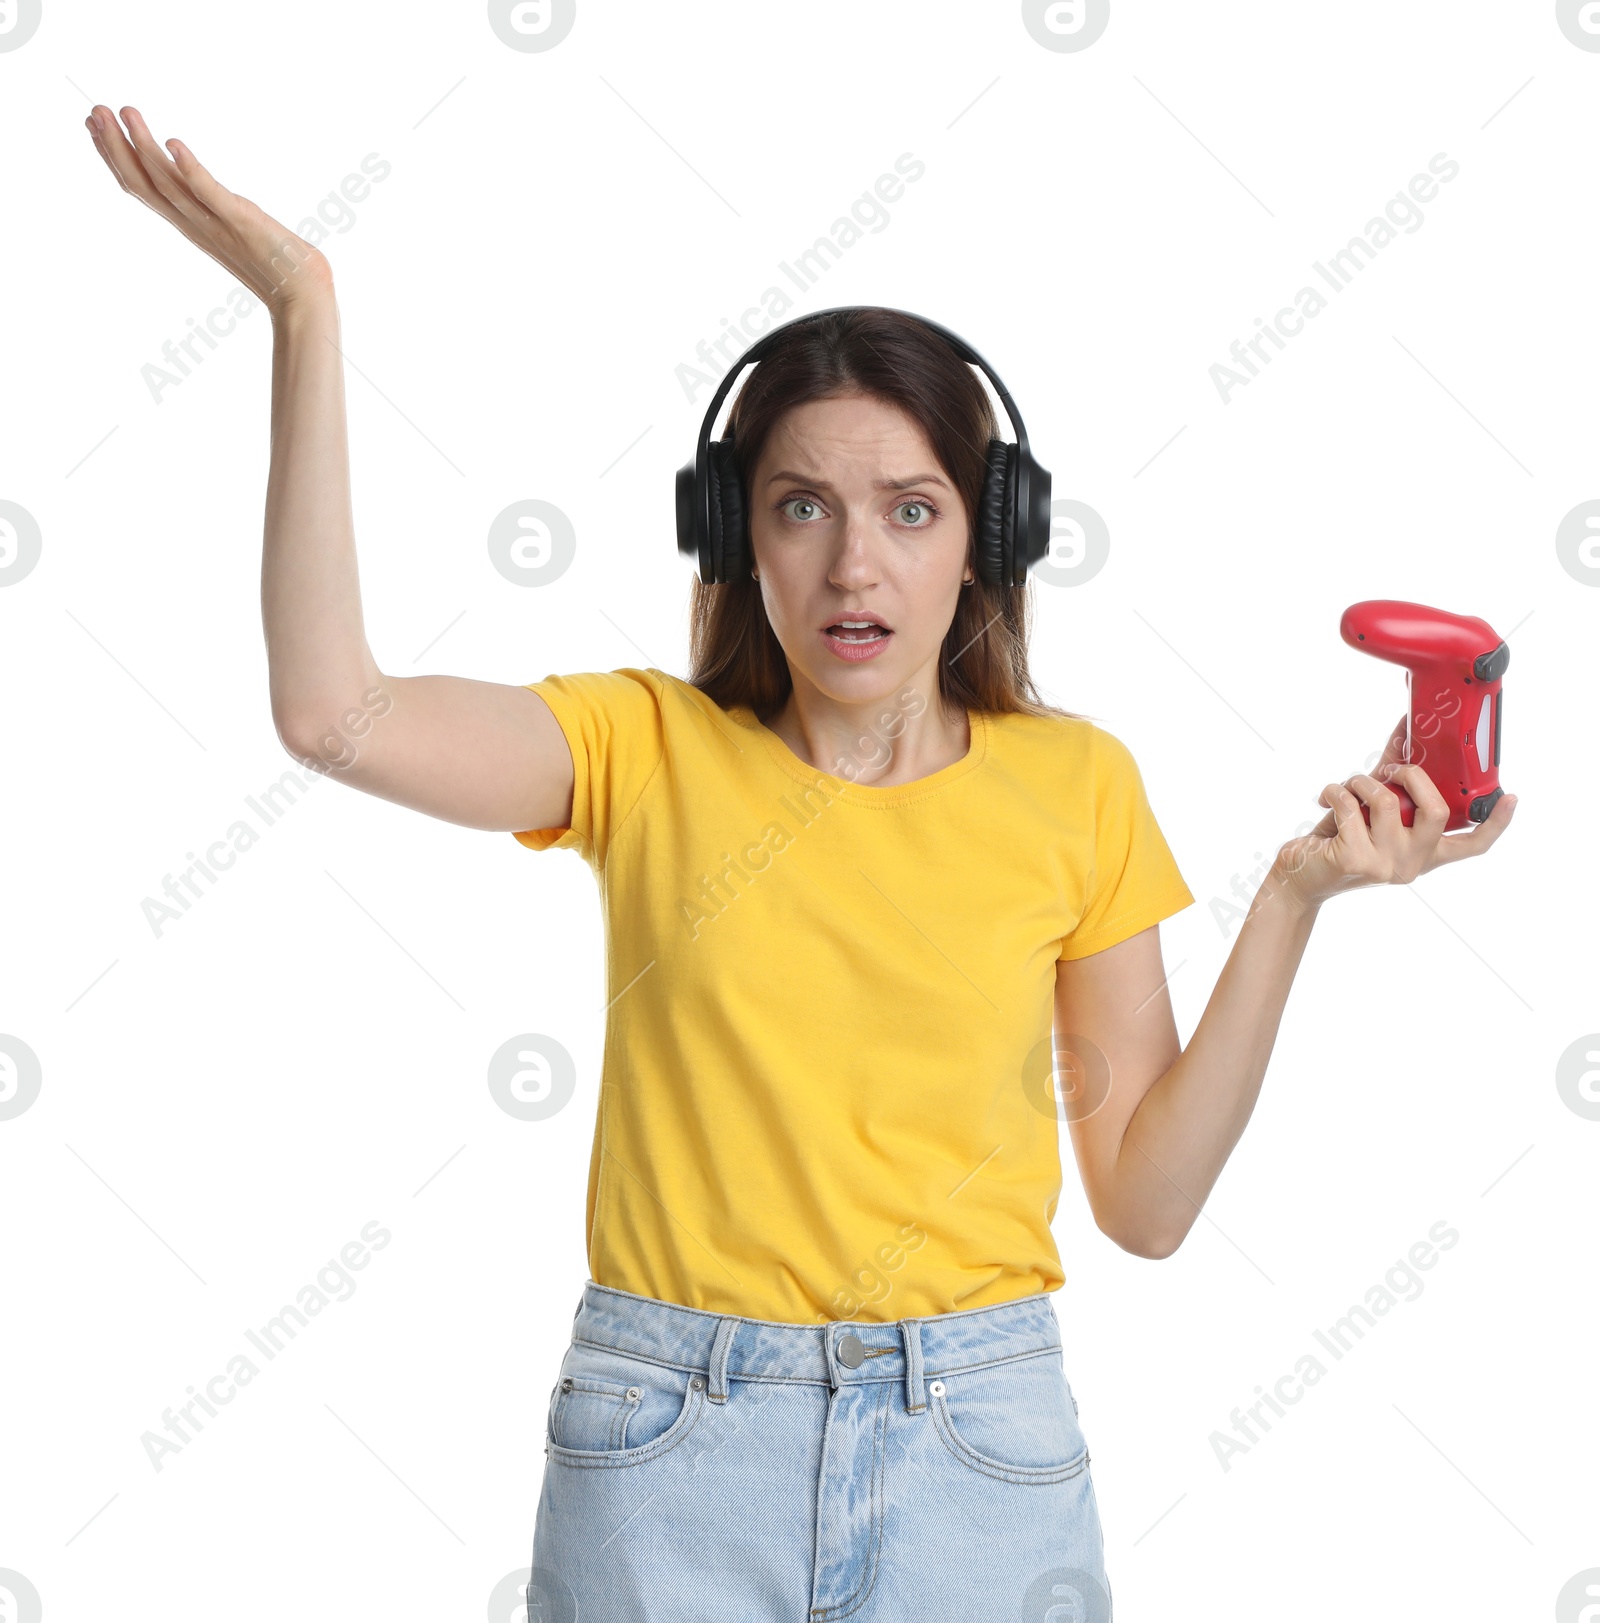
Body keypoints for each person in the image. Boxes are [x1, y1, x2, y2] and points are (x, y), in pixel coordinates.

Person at [87, 104, 1518, 1623]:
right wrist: (303, 304)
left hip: (981, 1441)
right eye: (801, 508)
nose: (855, 566)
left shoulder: (1075, 786)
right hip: (666, 1443)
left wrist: (1294, 898)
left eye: (912, 511)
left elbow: (1147, 1206)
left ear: (987, 537)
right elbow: (336, 713)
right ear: (734, 539)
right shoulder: (639, 751)